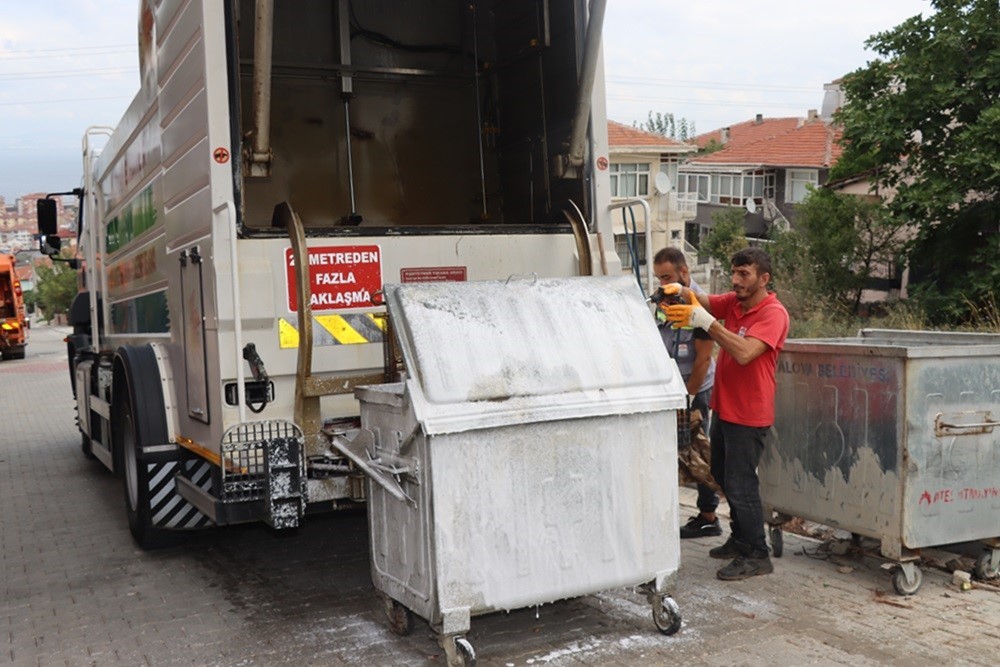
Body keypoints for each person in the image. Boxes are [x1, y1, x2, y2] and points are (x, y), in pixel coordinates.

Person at [662, 247, 789, 581]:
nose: (736, 280)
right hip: (725, 408)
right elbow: (703, 300)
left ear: (764, 278)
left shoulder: (773, 314)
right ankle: (740, 537)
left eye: (744, 274)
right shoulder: (734, 303)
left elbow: (746, 352)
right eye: (733, 273)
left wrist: (707, 324)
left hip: (749, 414)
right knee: (721, 473)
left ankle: (757, 554)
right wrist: (677, 291)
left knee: (741, 483)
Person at [651, 247, 720, 540]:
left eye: (667, 277)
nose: (662, 284)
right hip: (669, 387)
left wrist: (688, 399)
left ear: (684, 273)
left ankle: (709, 516)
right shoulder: (665, 302)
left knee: (697, 453)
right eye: (658, 278)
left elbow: (703, 360)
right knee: (669, 454)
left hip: (693, 390)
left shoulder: (698, 306)